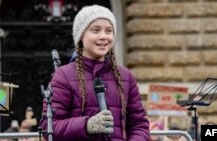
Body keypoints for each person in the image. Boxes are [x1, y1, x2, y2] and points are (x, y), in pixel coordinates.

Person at [40, 4, 150, 141]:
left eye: (109, 31)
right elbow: (48, 126)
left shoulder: (126, 76)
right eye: (96, 30)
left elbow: (139, 125)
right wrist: (87, 125)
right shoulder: (63, 76)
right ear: (81, 35)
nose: (103, 37)